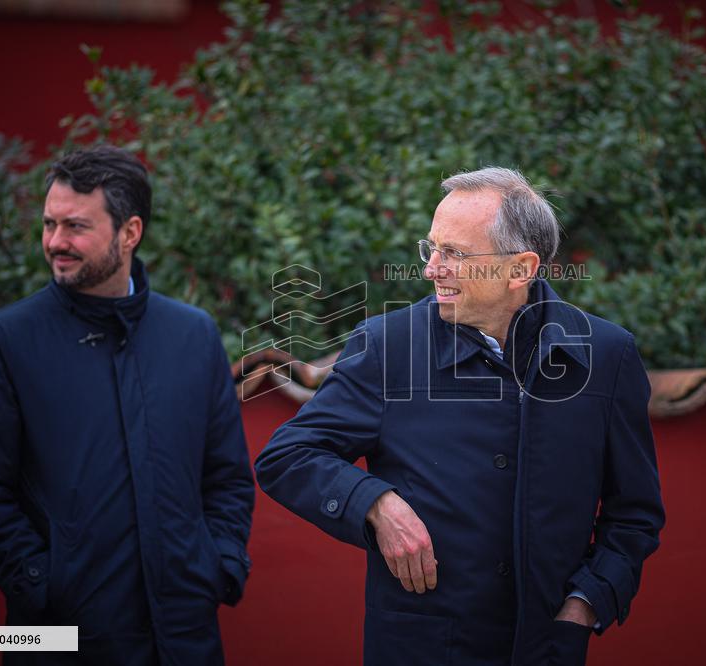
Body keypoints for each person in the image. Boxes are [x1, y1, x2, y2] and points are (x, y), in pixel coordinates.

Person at [255, 167, 665, 665]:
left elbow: (635, 514)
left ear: (521, 269)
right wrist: (376, 504)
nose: (432, 269)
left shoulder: (607, 355)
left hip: (545, 650)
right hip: (422, 648)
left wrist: (585, 604)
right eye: (432, 249)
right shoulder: (389, 346)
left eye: (455, 254)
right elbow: (287, 455)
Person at [0, 145, 255, 665]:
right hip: (59, 643)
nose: (55, 242)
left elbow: (226, 477)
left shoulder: (193, 335)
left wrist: (219, 564)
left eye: (75, 227)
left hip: (183, 639)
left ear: (129, 232)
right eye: (49, 224)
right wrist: (43, 584)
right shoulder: (5, 341)